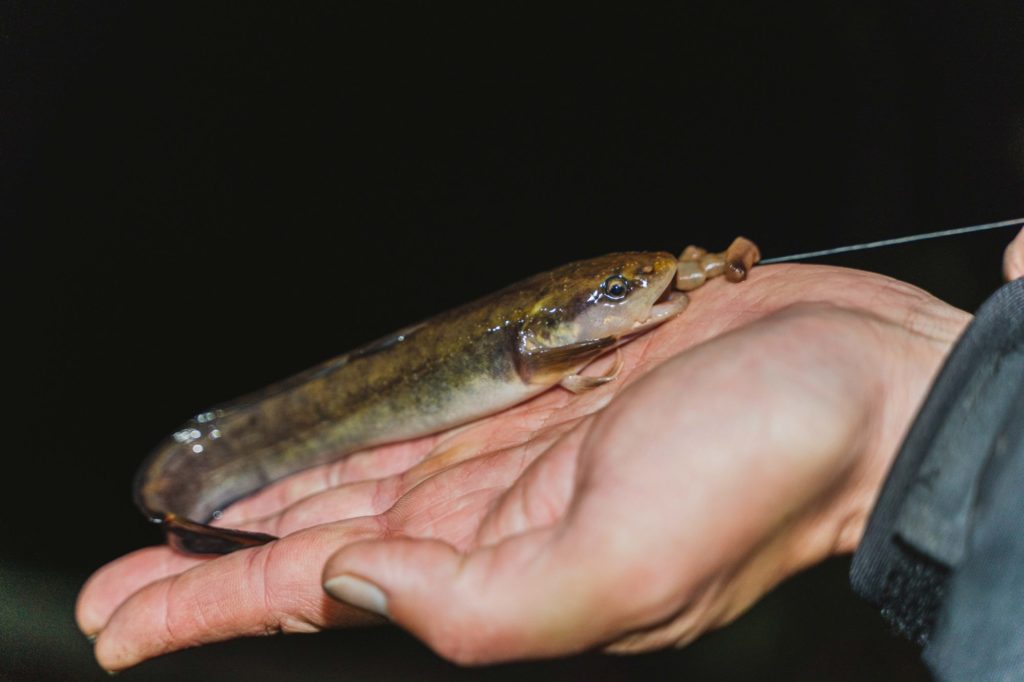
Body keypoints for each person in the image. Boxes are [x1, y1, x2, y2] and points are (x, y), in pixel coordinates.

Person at [77, 229, 1024, 674]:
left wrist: (912, 395)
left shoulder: (560, 333)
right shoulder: (533, 339)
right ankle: (187, 505)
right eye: (619, 288)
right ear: (546, 336)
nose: (644, 287)